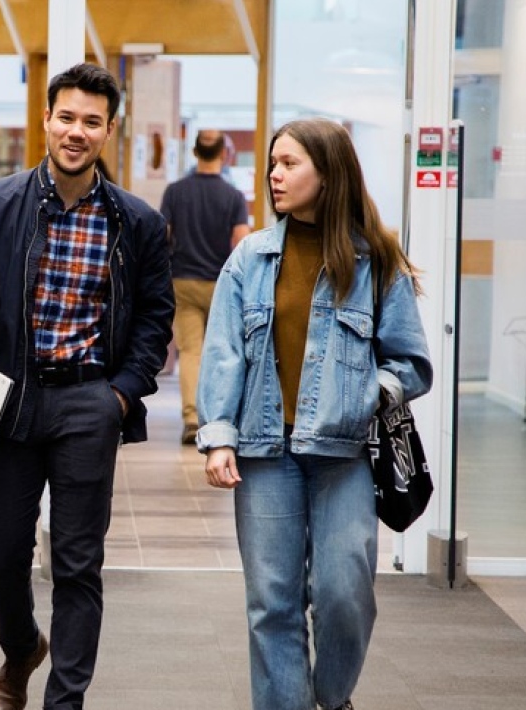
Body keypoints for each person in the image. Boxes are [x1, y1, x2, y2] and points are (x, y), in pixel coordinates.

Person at [0, 63, 173, 710]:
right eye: (66, 117)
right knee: (2, 554)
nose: (76, 131)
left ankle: (63, 704)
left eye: (91, 121)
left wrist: (122, 391)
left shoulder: (137, 222)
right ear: (46, 119)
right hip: (8, 402)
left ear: (109, 130)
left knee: (76, 565)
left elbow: (156, 317)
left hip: (89, 404)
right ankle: (21, 649)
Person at [196, 118, 432, 710]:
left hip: (345, 454)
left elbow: (410, 362)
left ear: (327, 175)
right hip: (263, 451)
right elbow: (223, 354)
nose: (274, 175)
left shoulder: (375, 260)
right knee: (271, 602)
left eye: (289, 164)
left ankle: (331, 699)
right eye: (272, 163)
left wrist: (367, 394)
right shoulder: (249, 260)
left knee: (344, 592)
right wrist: (219, 436)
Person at [159, 129, 251, 445]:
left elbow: (164, 235)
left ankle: (192, 419)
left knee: (191, 352)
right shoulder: (234, 196)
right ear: (224, 155)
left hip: (182, 281)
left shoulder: (174, 192)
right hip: (221, 283)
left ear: (195, 153)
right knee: (224, 351)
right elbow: (241, 240)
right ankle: (221, 417)